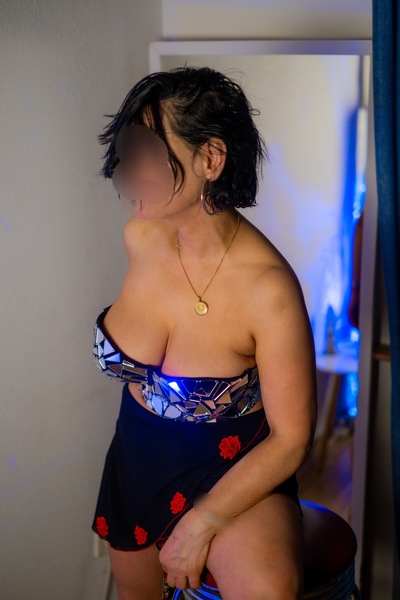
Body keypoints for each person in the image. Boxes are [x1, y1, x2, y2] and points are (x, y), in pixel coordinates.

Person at [92, 66, 316, 600]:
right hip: (137, 459)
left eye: (148, 151)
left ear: (210, 159)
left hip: (234, 468)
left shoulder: (269, 290)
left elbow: (291, 439)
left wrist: (204, 520)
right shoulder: (141, 236)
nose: (128, 170)